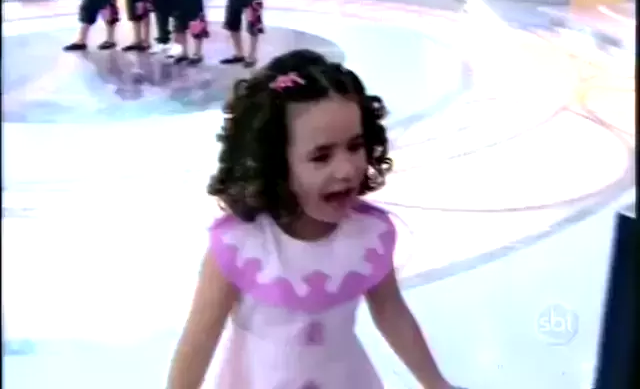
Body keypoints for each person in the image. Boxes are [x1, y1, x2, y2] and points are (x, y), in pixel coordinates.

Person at [165, 50, 457, 389]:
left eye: (355, 146)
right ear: (274, 162)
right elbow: (199, 341)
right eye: (321, 156)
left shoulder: (368, 235)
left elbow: (391, 313)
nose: (346, 169)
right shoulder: (240, 245)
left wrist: (435, 382)